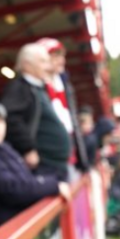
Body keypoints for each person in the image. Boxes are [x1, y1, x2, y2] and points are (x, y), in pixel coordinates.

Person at [0, 98, 69, 235]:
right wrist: (53, 185)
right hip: (7, 231)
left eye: (0, 121)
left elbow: (25, 180)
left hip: (18, 227)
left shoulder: (1, 147)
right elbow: (12, 188)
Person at [1, 42, 72, 182]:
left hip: (55, 165)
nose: (48, 66)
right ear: (27, 65)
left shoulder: (39, 89)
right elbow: (11, 117)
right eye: (43, 61)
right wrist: (27, 148)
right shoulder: (20, 87)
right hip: (42, 167)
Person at [36, 37, 89, 174]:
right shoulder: (33, 87)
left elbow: (74, 123)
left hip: (68, 153)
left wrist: (82, 159)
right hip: (48, 159)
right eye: (55, 56)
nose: (62, 61)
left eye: (62, 56)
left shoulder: (65, 85)